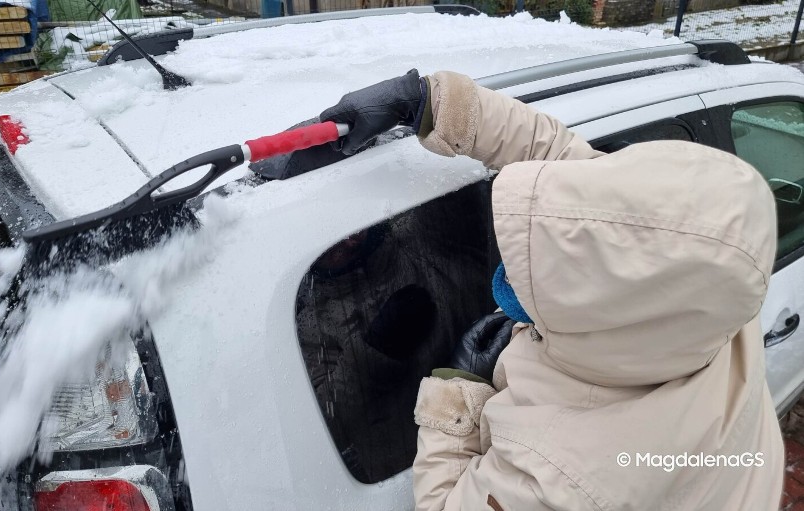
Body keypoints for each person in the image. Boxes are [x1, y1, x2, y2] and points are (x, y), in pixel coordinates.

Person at [318, 69, 784, 510]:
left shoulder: (562, 474)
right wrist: (429, 103)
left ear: (601, 308)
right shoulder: (714, 286)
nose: (520, 261)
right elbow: (572, 167)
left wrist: (457, 397)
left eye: (561, 271)